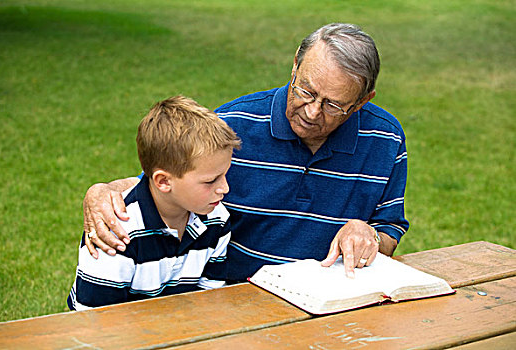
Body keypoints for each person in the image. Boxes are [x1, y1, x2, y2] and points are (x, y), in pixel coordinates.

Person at [82, 23, 409, 281]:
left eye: (334, 105)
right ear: (295, 64)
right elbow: (165, 188)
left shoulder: (387, 138)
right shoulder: (233, 124)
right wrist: (103, 191)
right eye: (306, 91)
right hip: (237, 298)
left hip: (332, 299)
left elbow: (389, 227)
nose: (311, 112)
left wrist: (370, 235)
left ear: (364, 101)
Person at [68, 96, 241, 310]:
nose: (225, 188)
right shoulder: (116, 232)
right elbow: (92, 320)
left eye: (225, 175)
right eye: (210, 180)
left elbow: (209, 301)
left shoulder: (217, 220)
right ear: (164, 181)